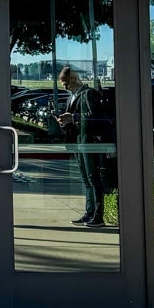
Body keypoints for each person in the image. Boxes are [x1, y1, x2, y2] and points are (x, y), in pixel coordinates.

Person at [55, 66, 116, 227]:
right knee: (86, 179)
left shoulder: (88, 94)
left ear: (74, 79)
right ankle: (89, 212)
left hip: (89, 143)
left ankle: (98, 215)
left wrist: (73, 117)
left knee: (93, 179)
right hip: (77, 143)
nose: (64, 87)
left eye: (65, 83)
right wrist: (64, 121)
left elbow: (94, 117)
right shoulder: (72, 96)